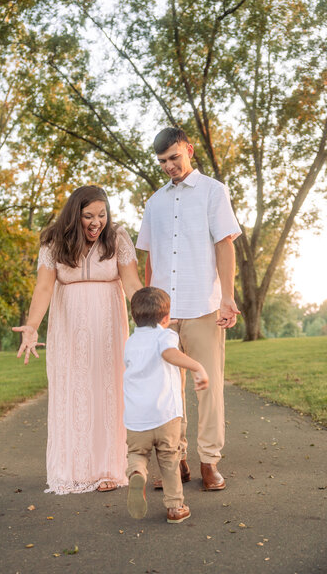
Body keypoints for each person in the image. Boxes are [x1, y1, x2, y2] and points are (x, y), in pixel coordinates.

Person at [13, 185, 142, 494]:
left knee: (107, 389)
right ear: (75, 215)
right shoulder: (54, 241)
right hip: (68, 327)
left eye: (102, 215)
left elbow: (133, 284)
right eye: (88, 216)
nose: (96, 222)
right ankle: (74, 470)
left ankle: (109, 468)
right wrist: (32, 326)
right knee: (74, 389)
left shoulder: (118, 237)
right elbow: (44, 288)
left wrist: (152, 321)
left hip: (108, 327)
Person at [136, 127, 241, 491]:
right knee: (166, 390)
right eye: (163, 161)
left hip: (203, 307)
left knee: (208, 387)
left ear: (189, 151)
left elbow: (225, 245)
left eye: (174, 158)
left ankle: (209, 462)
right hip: (164, 314)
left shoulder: (213, 191)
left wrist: (227, 297)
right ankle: (175, 461)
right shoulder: (154, 203)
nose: (169, 166)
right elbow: (150, 260)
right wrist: (148, 311)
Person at [124, 287, 208, 524]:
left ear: (134, 317)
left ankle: (137, 473)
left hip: (136, 418)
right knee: (170, 459)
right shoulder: (167, 336)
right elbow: (169, 353)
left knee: (136, 454)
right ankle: (175, 507)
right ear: (165, 318)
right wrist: (197, 367)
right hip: (165, 415)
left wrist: (160, 322)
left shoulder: (130, 342)